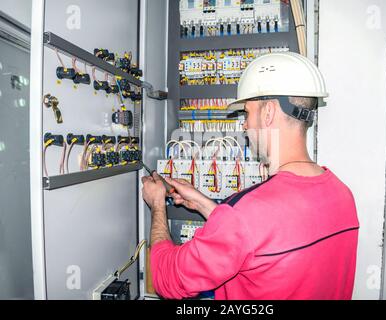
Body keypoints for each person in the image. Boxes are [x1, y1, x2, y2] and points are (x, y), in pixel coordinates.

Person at [142, 52, 359, 300]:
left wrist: (157, 204)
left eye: (246, 113)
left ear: (268, 112)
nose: (245, 125)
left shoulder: (244, 216)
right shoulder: (342, 195)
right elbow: (268, 236)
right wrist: (207, 205)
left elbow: (166, 279)